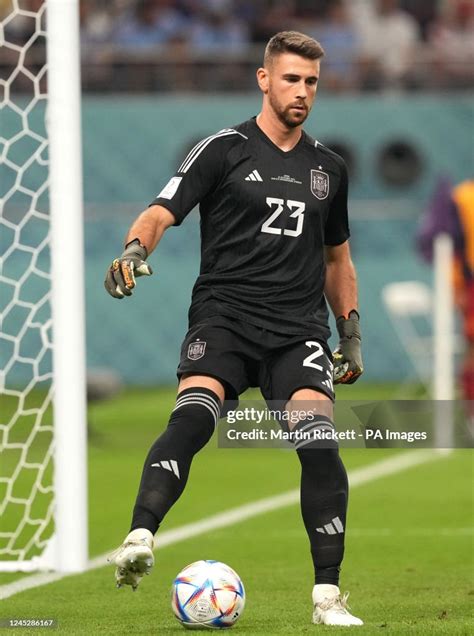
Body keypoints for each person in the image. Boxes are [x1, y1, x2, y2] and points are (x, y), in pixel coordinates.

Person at [105, 31, 364, 627]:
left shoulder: (330, 168)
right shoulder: (223, 149)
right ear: (264, 79)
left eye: (313, 82)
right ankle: (140, 536)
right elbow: (160, 210)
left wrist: (348, 331)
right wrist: (135, 249)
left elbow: (337, 260)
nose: (303, 92)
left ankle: (327, 597)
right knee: (194, 417)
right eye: (292, 79)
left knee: (319, 443)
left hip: (297, 330)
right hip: (224, 319)